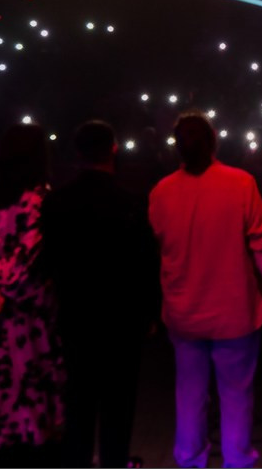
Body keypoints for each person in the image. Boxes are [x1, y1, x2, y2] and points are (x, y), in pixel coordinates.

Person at [148, 111, 262, 469]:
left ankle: (189, 458)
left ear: (177, 147)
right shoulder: (241, 184)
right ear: (214, 141)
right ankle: (238, 459)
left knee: (189, 393)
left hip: (183, 312)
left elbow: (159, 248)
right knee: (236, 393)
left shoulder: (161, 192)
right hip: (234, 310)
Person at [41, 119, 160, 469]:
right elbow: (145, 264)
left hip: (75, 313)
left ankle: (77, 460)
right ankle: (114, 460)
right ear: (114, 148)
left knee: (78, 398)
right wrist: (151, 312)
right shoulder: (129, 203)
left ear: (77, 152)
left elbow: (49, 261)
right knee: (118, 402)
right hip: (122, 318)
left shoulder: (55, 202)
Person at [0, 123, 65, 453]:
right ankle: (38, 437)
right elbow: (30, 253)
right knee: (33, 372)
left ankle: (6, 437)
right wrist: (6, 284)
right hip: (29, 308)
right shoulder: (38, 197)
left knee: (0, 376)